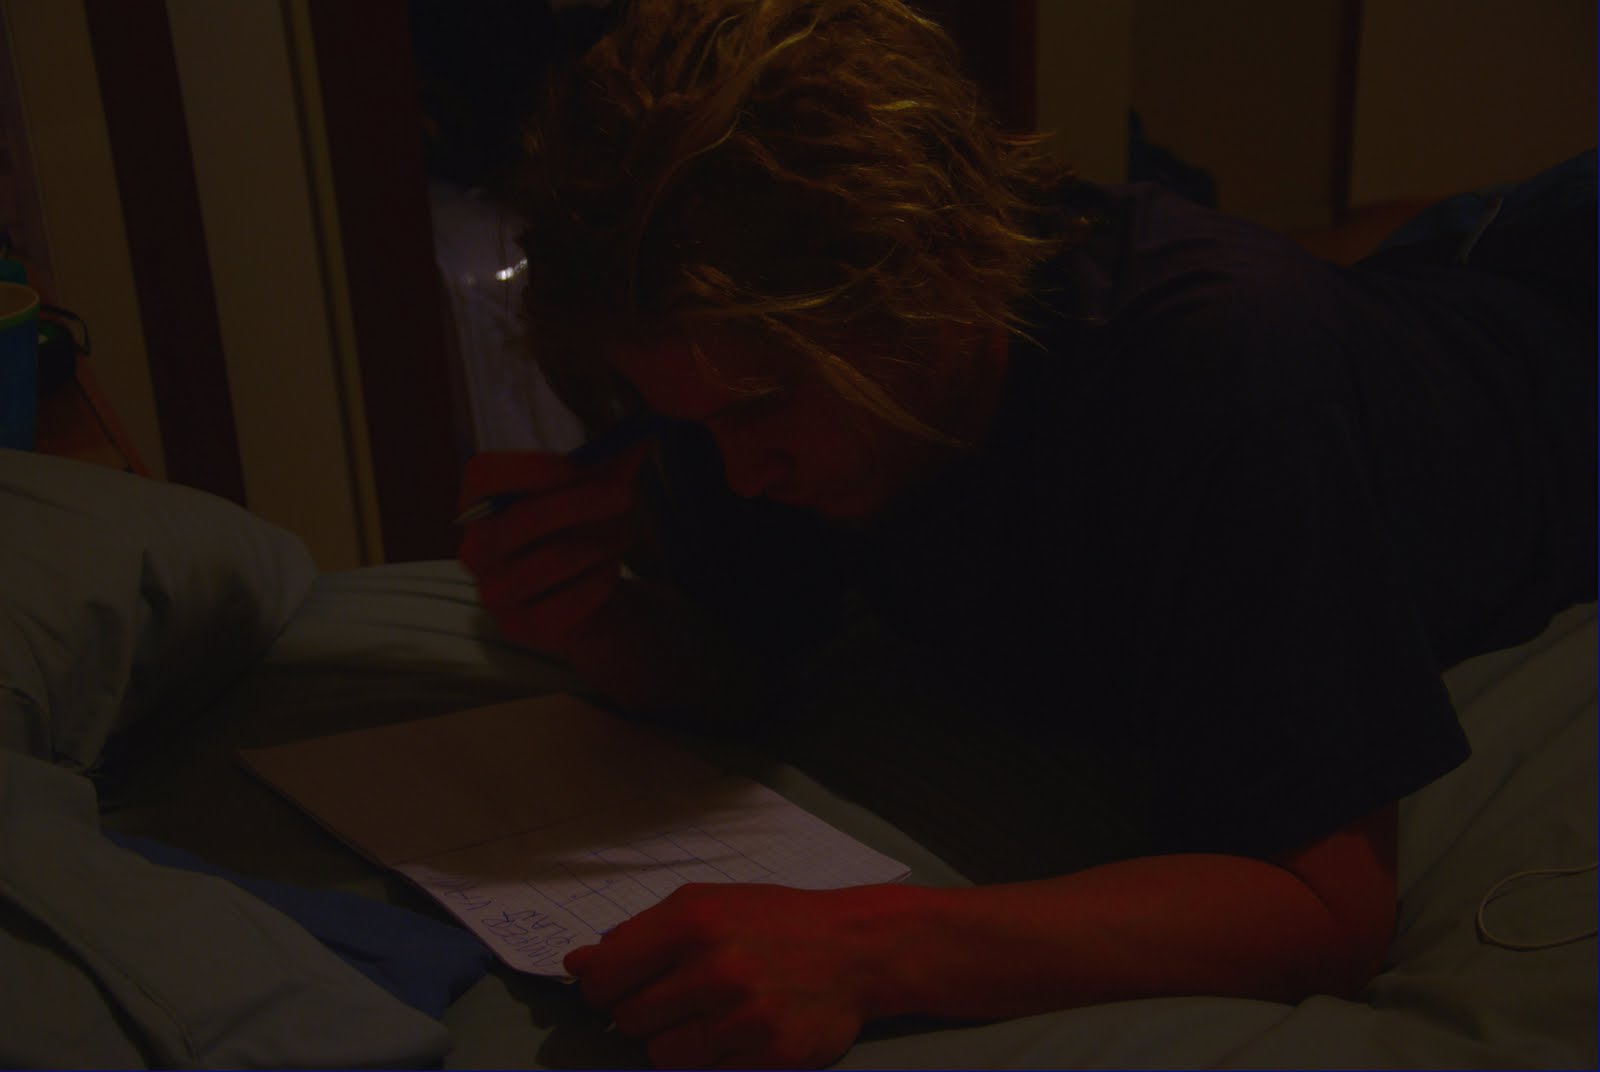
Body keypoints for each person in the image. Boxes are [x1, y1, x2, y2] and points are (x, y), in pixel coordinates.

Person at [457, 1, 1597, 1066]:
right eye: (690, 420)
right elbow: (745, 663)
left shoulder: (1219, 375)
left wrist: (868, 948)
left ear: (937, 280)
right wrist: (596, 617)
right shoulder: (748, 390)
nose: (740, 473)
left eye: (761, 407)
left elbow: (1324, 911)